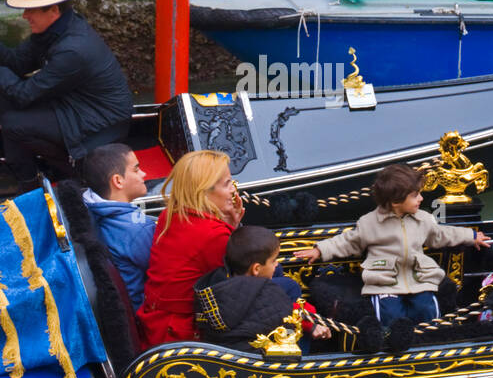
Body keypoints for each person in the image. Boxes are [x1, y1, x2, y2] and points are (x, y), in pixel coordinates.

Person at [0, 0, 134, 184]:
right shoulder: (53, 29)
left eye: (31, 10)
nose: (24, 15)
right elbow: (17, 63)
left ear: (53, 10)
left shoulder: (73, 49)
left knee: (13, 123)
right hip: (73, 103)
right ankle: (34, 168)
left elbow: (22, 94)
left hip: (101, 121)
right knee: (4, 94)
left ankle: (34, 183)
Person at [295, 163, 489, 328]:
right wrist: (320, 250)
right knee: (389, 314)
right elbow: (348, 241)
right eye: (415, 195)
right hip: (385, 279)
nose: (421, 199)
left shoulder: (424, 219)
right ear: (396, 201)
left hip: (418, 275)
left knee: (427, 310)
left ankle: (428, 338)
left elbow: (441, 235)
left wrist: (471, 236)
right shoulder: (370, 223)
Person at [139, 151, 244, 347]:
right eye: (227, 183)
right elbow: (243, 285)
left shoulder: (170, 215)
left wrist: (229, 226)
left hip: (155, 324)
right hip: (183, 337)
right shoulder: (214, 235)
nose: (234, 190)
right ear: (204, 191)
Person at [195, 225, 331, 353]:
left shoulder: (214, 281)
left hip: (228, 349)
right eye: (273, 261)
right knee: (299, 331)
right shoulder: (269, 294)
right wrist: (312, 323)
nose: (276, 264)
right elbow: (291, 315)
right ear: (256, 269)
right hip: (257, 358)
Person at [82, 143, 153, 309]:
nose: (144, 174)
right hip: (138, 314)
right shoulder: (138, 229)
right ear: (118, 181)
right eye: (136, 169)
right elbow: (166, 272)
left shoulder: (85, 206)